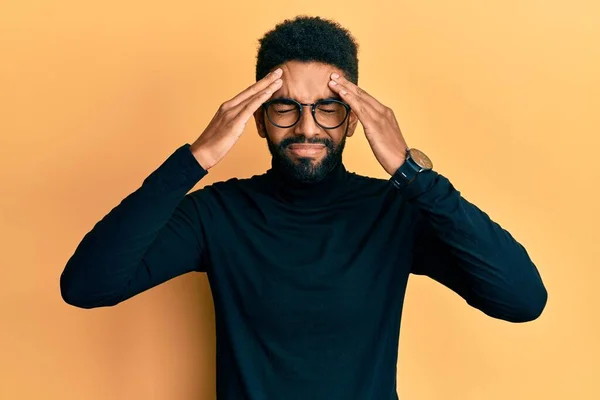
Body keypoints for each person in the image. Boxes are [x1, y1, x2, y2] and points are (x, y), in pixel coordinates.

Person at [60, 15, 547, 400]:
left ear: (354, 120)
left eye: (328, 107)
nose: (307, 128)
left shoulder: (396, 213)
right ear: (258, 119)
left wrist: (413, 176)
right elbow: (87, 286)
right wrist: (197, 157)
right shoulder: (217, 214)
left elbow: (522, 299)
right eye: (285, 107)